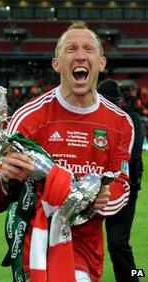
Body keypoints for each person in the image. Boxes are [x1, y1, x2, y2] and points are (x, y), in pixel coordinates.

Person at [0, 20, 134, 282]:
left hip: (85, 251)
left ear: (101, 63)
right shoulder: (29, 116)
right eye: (71, 49)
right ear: (56, 64)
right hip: (35, 247)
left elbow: (122, 187)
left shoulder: (121, 124)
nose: (80, 55)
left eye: (89, 49)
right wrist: (4, 178)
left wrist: (101, 199)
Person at [97, 79, 145, 282]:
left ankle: (135, 276)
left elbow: (129, 157)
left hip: (124, 187)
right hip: (98, 186)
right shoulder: (99, 116)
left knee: (117, 241)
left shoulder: (130, 119)